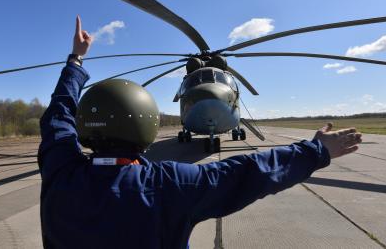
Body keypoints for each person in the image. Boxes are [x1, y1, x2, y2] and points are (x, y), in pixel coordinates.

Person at [38, 16, 362, 249]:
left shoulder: (60, 172)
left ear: (83, 127)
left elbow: (58, 116)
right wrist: (316, 151)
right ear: (147, 125)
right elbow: (248, 173)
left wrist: (76, 62)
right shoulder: (170, 184)